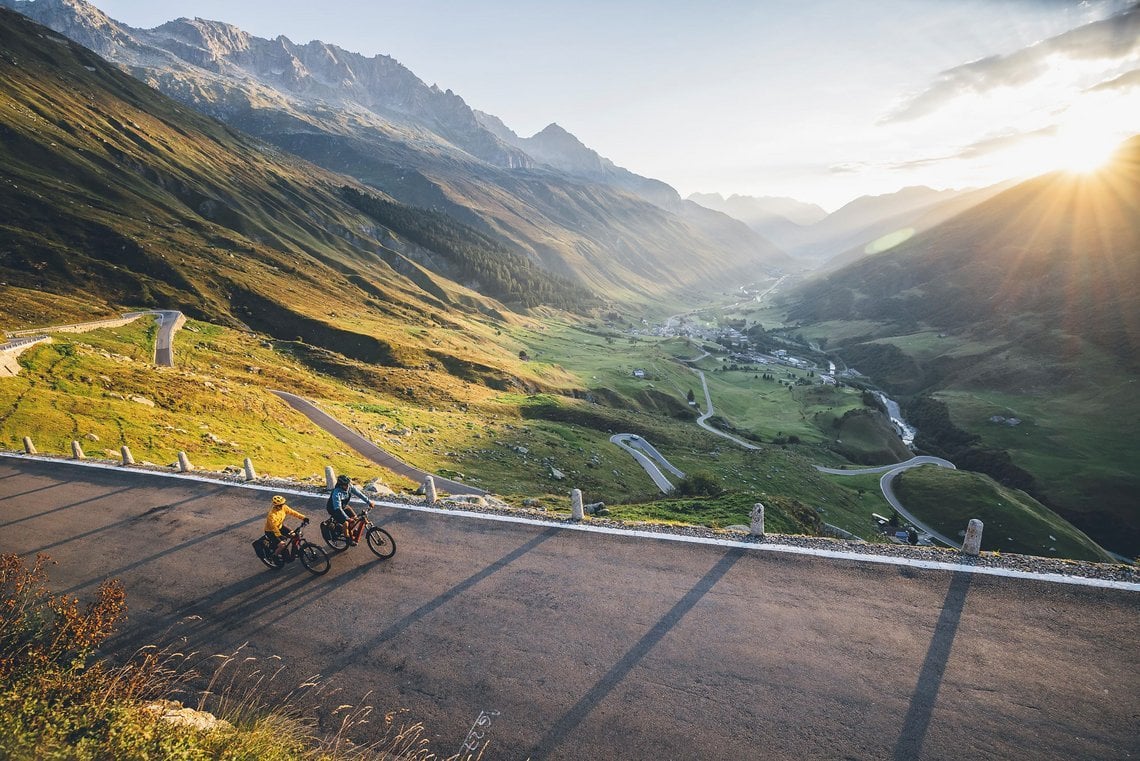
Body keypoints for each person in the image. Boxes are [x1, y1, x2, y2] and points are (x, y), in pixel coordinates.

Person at [327, 474, 375, 545]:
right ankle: (348, 539)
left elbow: (359, 494)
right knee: (346, 523)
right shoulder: (336, 493)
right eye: (345, 485)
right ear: (340, 485)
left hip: (344, 506)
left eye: (348, 484)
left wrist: (369, 502)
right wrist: (347, 518)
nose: (347, 486)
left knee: (355, 518)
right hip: (334, 509)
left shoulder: (349, 486)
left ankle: (350, 531)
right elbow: (338, 508)